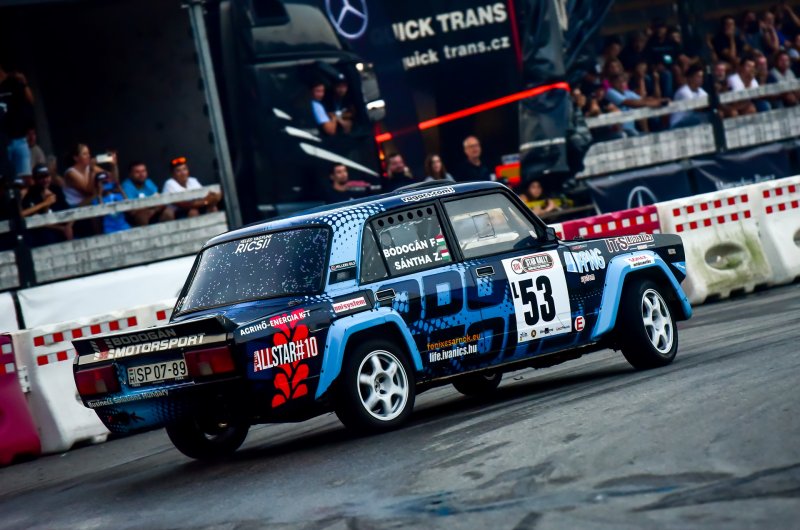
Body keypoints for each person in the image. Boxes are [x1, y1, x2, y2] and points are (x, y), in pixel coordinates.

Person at [0, 62, 35, 184]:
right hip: (2, 142)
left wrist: (24, 83)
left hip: (19, 138)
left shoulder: (13, 83)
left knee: (25, 178)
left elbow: (30, 101)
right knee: (6, 179)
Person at [21, 163, 72, 245]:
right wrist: (46, 203)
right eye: (41, 177)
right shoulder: (31, 194)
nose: (45, 180)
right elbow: (34, 218)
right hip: (47, 231)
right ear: (35, 179)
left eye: (47, 176)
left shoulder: (56, 189)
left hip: (62, 226)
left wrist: (68, 227)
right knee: (46, 235)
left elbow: (68, 210)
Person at [121, 161, 175, 226]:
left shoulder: (148, 182)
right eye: (137, 172)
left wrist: (152, 211)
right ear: (130, 174)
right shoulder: (126, 186)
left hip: (152, 212)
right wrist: (149, 209)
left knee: (168, 212)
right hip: (134, 219)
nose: (141, 174)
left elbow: (160, 201)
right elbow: (133, 211)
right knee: (142, 215)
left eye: (143, 171)